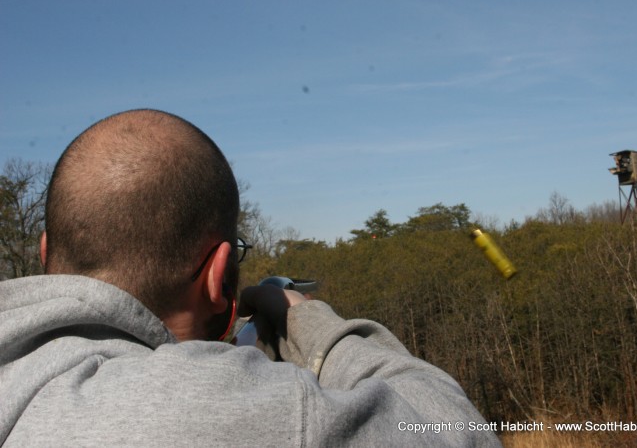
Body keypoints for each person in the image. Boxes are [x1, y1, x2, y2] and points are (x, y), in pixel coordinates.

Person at [0, 109, 501, 447]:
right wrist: (313, 328)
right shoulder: (237, 410)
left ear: (45, 253)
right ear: (219, 275)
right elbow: (458, 428)